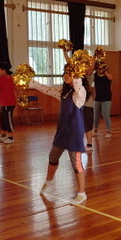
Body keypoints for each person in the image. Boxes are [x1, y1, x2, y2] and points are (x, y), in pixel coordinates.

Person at [30, 70, 91, 205]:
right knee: (53, 157)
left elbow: (78, 83)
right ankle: (49, 182)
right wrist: (30, 81)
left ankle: (82, 193)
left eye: (70, 73)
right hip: (62, 131)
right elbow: (46, 89)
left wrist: (76, 69)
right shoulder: (63, 93)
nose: (66, 75)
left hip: (74, 132)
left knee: (76, 163)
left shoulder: (80, 93)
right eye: (64, 73)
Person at [62, 48, 95, 151]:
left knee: (87, 125)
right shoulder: (76, 73)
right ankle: (78, 143)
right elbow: (69, 63)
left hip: (88, 103)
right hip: (77, 103)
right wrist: (65, 52)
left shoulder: (89, 74)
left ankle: (89, 144)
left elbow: (91, 68)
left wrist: (94, 57)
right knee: (77, 123)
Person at [0, 62, 17, 144]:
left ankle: (10, 137)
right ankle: (3, 136)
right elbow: (16, 89)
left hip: (8, 103)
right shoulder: (12, 78)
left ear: (4, 70)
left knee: (8, 120)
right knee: (3, 119)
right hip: (4, 103)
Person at [93, 62, 113, 139]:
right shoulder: (96, 76)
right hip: (97, 98)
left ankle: (108, 131)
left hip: (106, 98)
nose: (100, 69)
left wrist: (105, 72)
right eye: (100, 68)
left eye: (102, 68)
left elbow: (111, 77)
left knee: (105, 115)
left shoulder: (108, 76)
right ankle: (95, 131)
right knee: (96, 115)